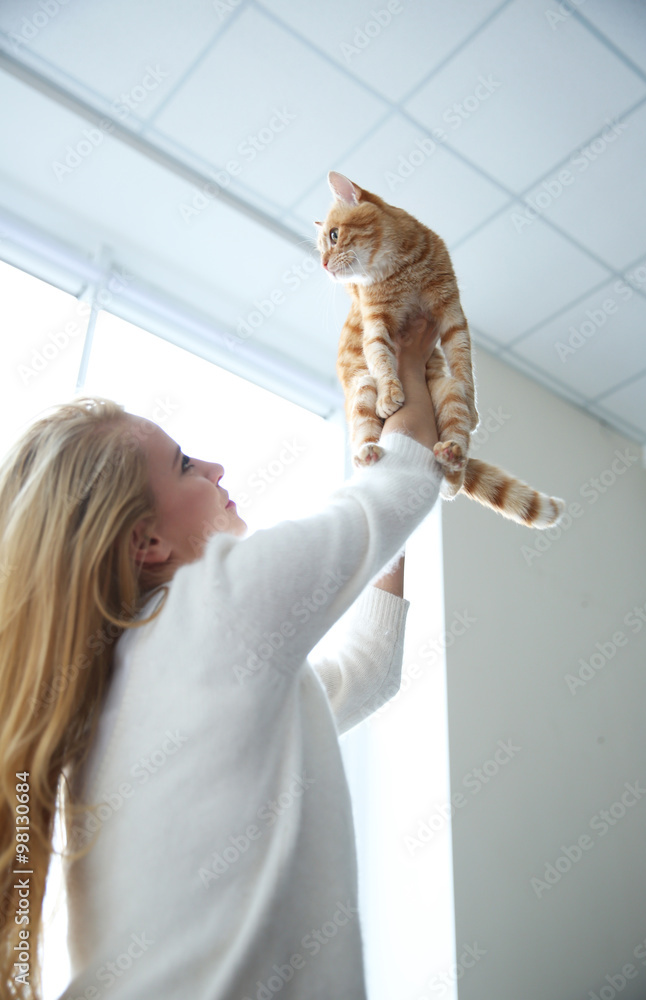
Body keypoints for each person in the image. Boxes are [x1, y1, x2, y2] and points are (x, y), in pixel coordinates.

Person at [0, 314, 443, 1000]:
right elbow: (403, 485)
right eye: (184, 466)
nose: (215, 468)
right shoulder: (219, 602)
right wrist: (409, 366)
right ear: (145, 543)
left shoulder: (109, 690)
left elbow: (369, 668)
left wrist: (387, 525)